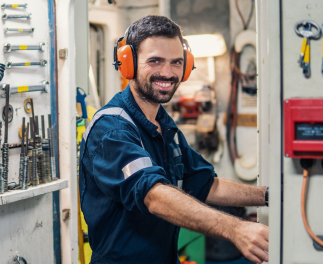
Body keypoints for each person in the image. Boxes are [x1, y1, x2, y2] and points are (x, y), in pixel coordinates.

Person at [78, 15, 269, 264]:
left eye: (176, 62)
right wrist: (235, 229)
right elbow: (154, 195)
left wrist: (268, 195)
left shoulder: (164, 125)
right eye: (155, 61)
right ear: (129, 64)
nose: (167, 73)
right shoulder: (112, 130)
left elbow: (206, 184)